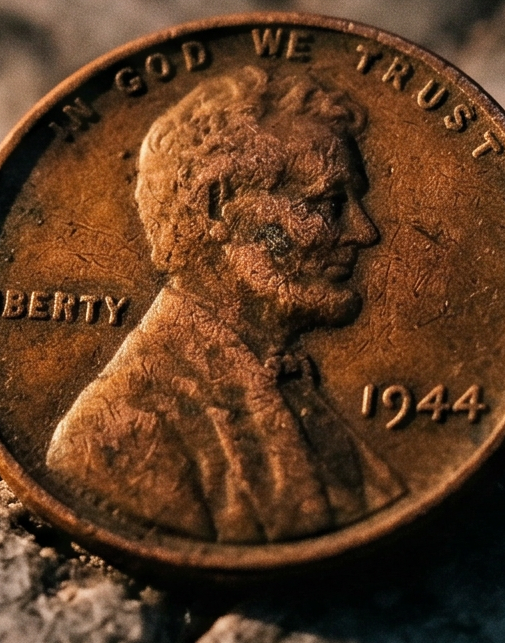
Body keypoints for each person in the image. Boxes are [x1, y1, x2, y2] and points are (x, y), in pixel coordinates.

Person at [46, 66, 403, 541]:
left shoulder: (288, 380)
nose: (364, 232)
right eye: (328, 203)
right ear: (218, 208)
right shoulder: (118, 432)